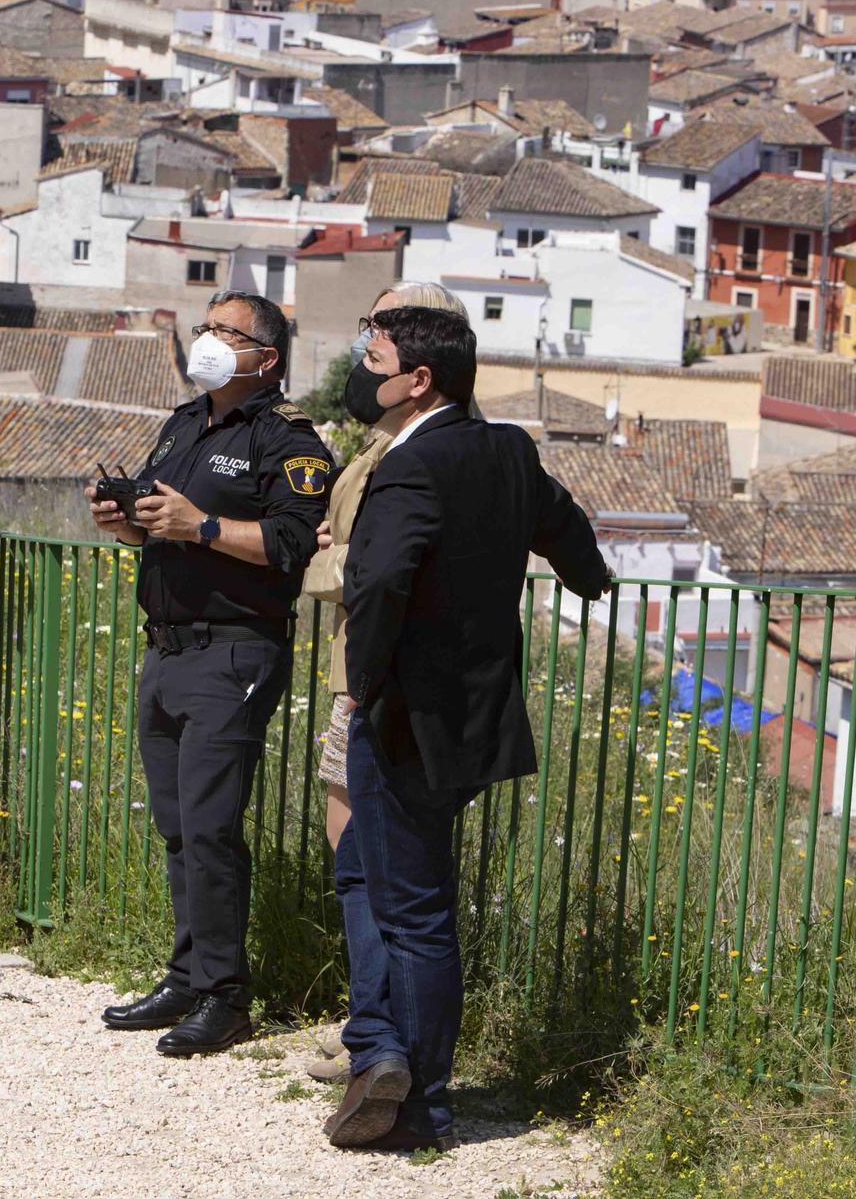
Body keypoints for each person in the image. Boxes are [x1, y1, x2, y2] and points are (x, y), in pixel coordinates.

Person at [324, 305, 609, 1152]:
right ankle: (376, 1050)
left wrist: (364, 684)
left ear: (418, 380)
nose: (360, 371)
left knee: (414, 911)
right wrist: (587, 579)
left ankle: (422, 1103)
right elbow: (569, 533)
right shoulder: (507, 448)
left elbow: (377, 587)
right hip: (478, 713)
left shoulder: (411, 468)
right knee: (363, 873)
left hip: (409, 713)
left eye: (373, 358)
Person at [90, 290, 332, 1056]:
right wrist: (129, 524)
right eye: (207, 325)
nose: (209, 338)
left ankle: (227, 995)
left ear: (266, 357)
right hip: (165, 649)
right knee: (177, 825)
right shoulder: (184, 422)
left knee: (211, 827)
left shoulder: (287, 440)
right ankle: (188, 974)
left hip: (234, 650)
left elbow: (295, 541)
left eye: (228, 330)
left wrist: (203, 525)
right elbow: (167, 524)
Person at [299, 283, 468, 1086]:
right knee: (376, 871)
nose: (368, 346)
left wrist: (325, 554)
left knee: (367, 870)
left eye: (382, 334)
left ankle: (379, 1039)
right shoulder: (395, 449)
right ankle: (375, 1032)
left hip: (366, 683)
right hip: (367, 676)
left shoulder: (407, 458)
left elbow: (366, 571)